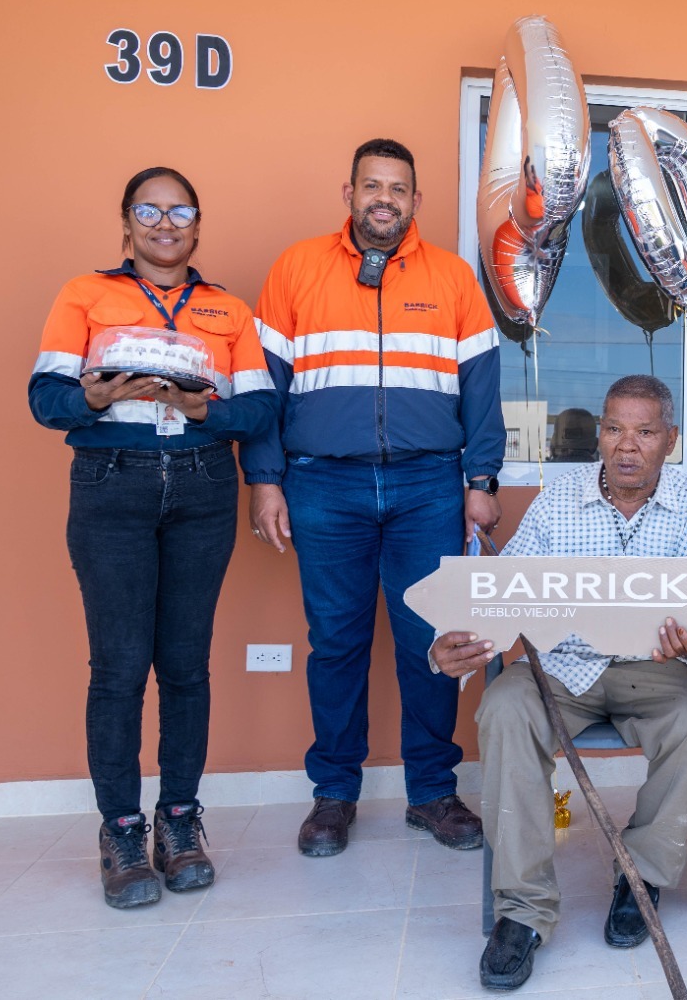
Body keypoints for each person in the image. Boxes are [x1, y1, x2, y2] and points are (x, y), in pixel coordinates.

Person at [241, 138, 505, 857]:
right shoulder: (297, 268)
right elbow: (263, 387)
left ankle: (433, 792)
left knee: (433, 641)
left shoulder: (453, 278)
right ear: (349, 194)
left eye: (397, 188)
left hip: (429, 485)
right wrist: (264, 478)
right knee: (336, 642)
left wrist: (481, 481)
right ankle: (333, 795)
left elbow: (482, 389)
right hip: (323, 482)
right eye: (371, 186)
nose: (383, 199)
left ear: (416, 201)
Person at [429, 375, 687, 992]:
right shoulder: (556, 501)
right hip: (562, 667)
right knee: (505, 708)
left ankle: (640, 875)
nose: (627, 445)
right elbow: (503, 590)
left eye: (644, 432)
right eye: (614, 428)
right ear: (600, 433)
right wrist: (451, 644)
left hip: (656, 669)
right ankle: (523, 910)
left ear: (670, 440)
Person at [29, 167, 277, 908]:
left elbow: (259, 410)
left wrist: (202, 411)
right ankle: (121, 831)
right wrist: (91, 397)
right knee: (118, 668)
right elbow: (45, 398)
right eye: (149, 210)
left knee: (186, 665)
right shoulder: (83, 295)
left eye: (180, 211)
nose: (165, 224)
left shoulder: (228, 309)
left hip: (203, 486)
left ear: (197, 225)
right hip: (112, 484)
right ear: (126, 223)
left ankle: (179, 822)